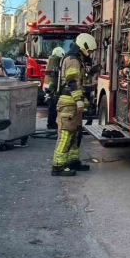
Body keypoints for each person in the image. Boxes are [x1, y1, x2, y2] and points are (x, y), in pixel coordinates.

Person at [51, 34, 97, 176]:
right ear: (84, 46)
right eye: (90, 51)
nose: (90, 53)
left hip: (72, 104)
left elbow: (79, 84)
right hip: (68, 104)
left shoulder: (76, 59)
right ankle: (58, 166)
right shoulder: (72, 60)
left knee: (75, 134)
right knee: (66, 134)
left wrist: (85, 102)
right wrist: (79, 100)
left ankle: (73, 161)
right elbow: (72, 82)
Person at [44, 47, 65, 130]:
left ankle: (51, 123)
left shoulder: (51, 60)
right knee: (53, 106)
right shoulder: (56, 60)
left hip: (48, 86)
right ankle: (51, 124)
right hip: (53, 88)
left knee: (52, 106)